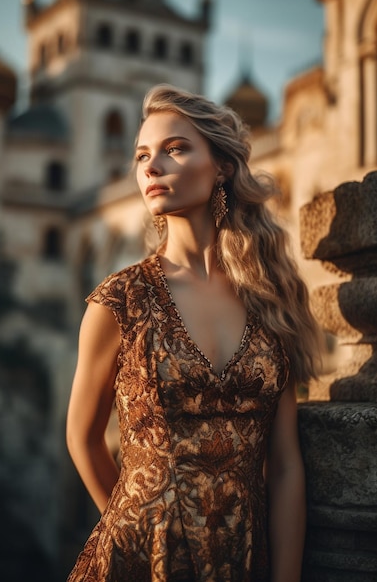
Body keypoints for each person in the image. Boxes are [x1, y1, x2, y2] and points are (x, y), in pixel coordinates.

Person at [66, 84, 321, 582]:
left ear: (222, 166)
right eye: (142, 155)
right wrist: (136, 527)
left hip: (243, 561)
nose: (151, 167)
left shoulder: (271, 300)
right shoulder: (119, 300)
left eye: (174, 149)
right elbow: (82, 437)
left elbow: (286, 465)